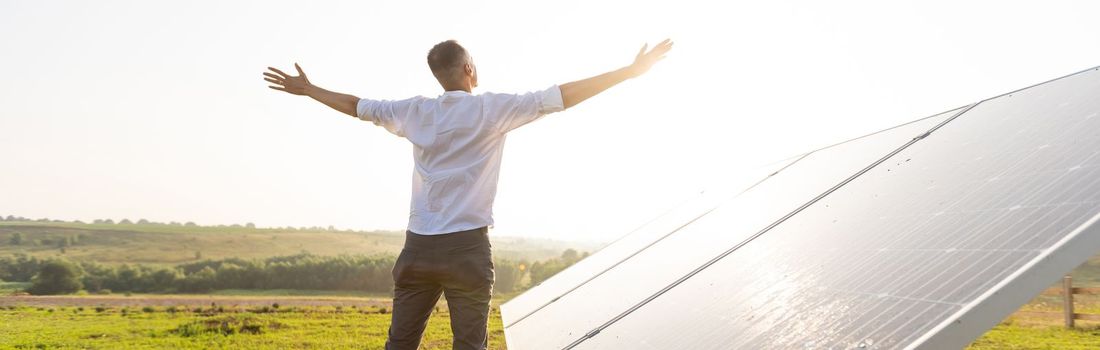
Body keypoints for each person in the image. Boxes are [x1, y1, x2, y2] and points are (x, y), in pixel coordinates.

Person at [264, 38, 673, 350]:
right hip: (467, 252)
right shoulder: (493, 109)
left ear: (438, 75)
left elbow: (356, 105)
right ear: (469, 69)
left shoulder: (413, 111)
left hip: (417, 251)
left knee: (399, 347)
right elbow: (562, 96)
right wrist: (629, 72)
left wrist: (310, 89)